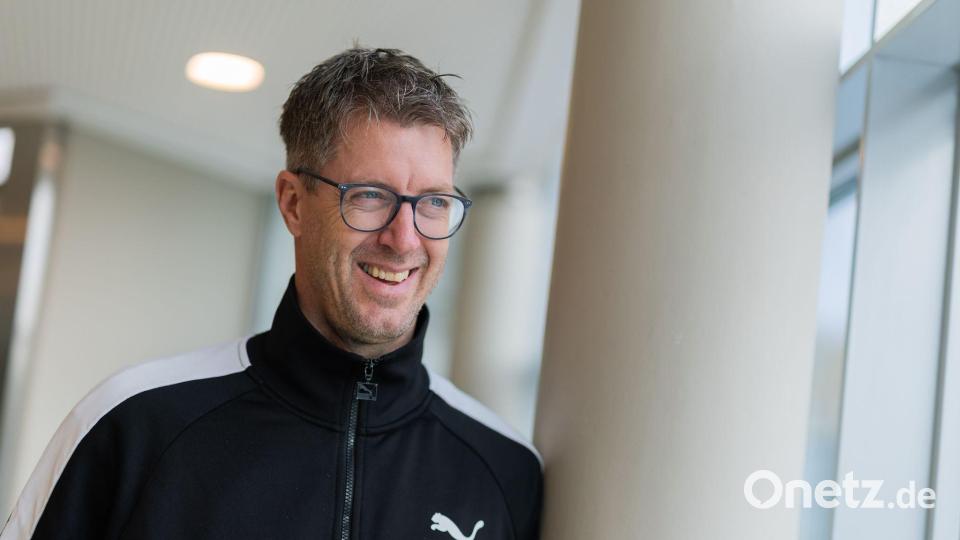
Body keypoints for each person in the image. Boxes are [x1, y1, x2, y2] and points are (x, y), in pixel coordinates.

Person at [1, 47, 542, 540]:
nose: (404, 240)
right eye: (371, 196)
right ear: (292, 202)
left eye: (434, 202)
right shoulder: (135, 425)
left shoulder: (503, 469)